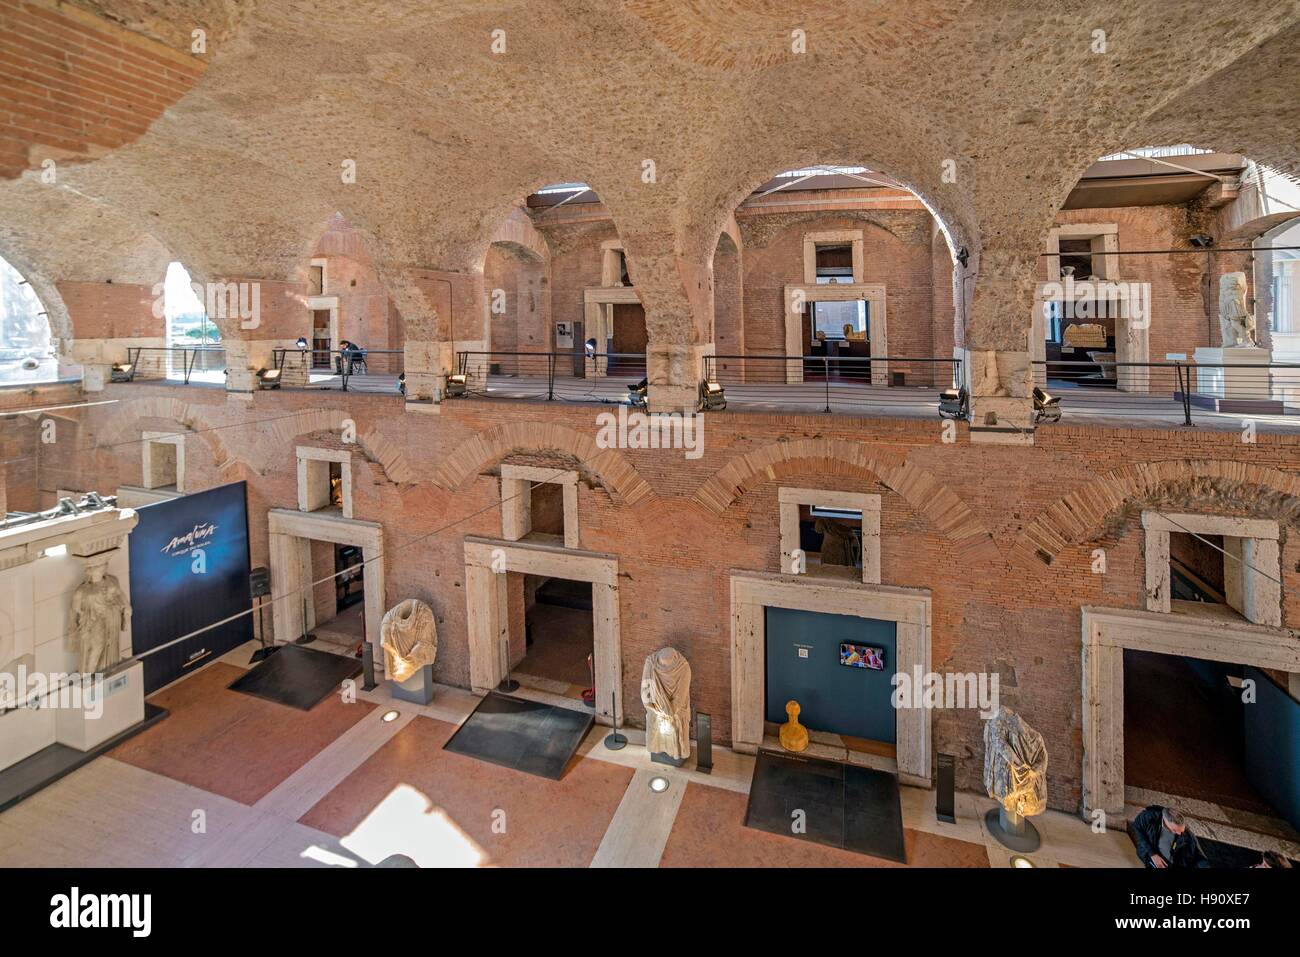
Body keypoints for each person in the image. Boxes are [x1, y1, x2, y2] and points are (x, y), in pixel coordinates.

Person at [1131, 806, 1210, 869]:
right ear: (1165, 823)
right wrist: (1152, 854)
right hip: (1149, 855)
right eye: (1175, 830)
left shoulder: (1187, 834)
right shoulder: (1148, 816)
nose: (1179, 834)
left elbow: (1199, 856)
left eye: (1181, 831)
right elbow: (1137, 830)